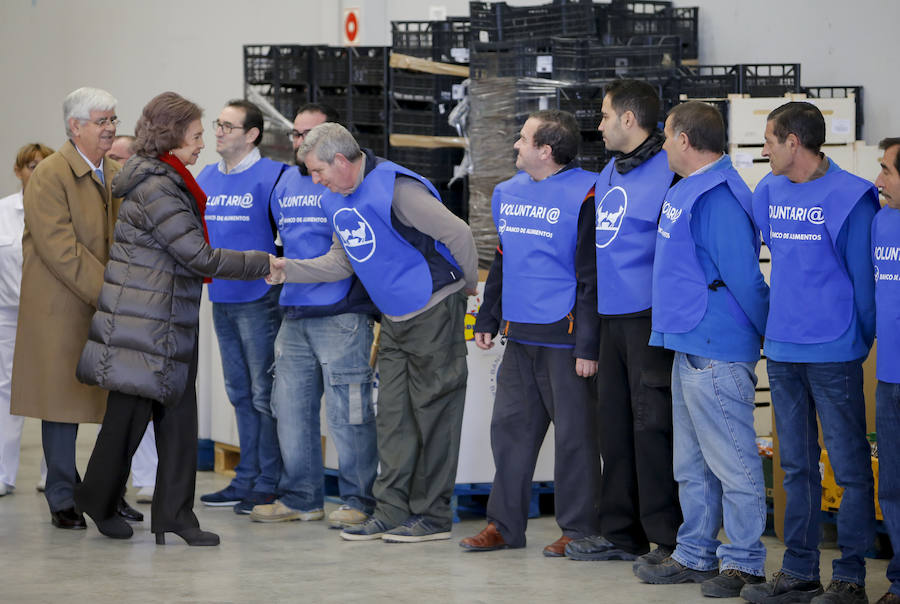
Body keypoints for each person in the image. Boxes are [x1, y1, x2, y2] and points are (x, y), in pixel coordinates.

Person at [72, 91, 272, 546]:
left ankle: (172, 515)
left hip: (163, 316)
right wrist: (263, 262)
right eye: (197, 135)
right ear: (172, 136)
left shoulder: (168, 178)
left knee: (176, 418)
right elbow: (195, 253)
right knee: (132, 417)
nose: (203, 143)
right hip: (149, 320)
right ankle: (106, 501)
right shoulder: (159, 185)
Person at [268, 122, 478, 543]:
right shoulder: (335, 199)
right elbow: (341, 262)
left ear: (342, 161)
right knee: (394, 419)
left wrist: (467, 291)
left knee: (435, 416)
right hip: (395, 317)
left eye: (318, 171)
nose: (315, 180)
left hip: (434, 309)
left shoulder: (396, 188)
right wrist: (288, 268)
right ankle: (391, 510)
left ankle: (433, 517)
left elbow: (460, 233)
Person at [741, 101, 879, 604]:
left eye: (770, 140)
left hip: (835, 351)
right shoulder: (768, 191)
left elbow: (866, 290)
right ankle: (799, 571)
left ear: (793, 143)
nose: (764, 150)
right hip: (781, 350)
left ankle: (850, 577)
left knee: (848, 467)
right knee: (795, 465)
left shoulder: (851, 197)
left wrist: (852, 343)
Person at [633, 101, 770, 599]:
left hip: (717, 347)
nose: (663, 144)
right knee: (690, 465)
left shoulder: (720, 198)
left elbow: (747, 280)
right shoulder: (689, 188)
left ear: (685, 141)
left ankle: (745, 563)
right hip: (688, 342)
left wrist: (766, 336)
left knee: (732, 462)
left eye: (667, 136)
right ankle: (694, 553)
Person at [457, 110, 602, 556]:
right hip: (519, 336)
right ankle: (503, 526)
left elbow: (590, 275)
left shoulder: (587, 193)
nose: (515, 145)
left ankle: (578, 530)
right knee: (509, 432)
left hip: (566, 337)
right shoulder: (507, 192)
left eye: (523, 139)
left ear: (546, 150)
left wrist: (589, 343)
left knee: (575, 438)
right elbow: (504, 258)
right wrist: (488, 317)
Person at [565, 79, 682, 564]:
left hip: (651, 321)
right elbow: (591, 259)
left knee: (652, 428)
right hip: (611, 321)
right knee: (612, 430)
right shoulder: (609, 172)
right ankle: (620, 533)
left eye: (605, 115)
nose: (599, 124)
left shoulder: (670, 173)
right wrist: (589, 338)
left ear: (629, 120)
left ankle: (667, 538)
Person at [249, 103, 379, 528]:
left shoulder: (346, 185)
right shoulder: (286, 182)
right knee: (290, 409)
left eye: (311, 134)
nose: (301, 141)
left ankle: (358, 500)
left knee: (349, 413)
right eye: (297, 134)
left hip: (342, 314)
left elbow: (352, 253)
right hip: (294, 312)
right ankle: (302, 497)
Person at [10, 87, 122, 530]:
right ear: (75, 127)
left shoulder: (115, 171)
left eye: (113, 118)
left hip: (103, 305)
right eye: (101, 120)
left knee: (111, 404)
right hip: (62, 308)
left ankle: (102, 491)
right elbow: (61, 250)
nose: (110, 127)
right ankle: (61, 496)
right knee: (60, 406)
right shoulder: (51, 174)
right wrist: (114, 292)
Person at [196, 99, 286, 514]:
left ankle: (268, 480)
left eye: (228, 126)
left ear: (252, 134)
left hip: (259, 299)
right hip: (221, 297)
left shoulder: (273, 176)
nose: (218, 132)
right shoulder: (208, 176)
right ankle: (246, 475)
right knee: (238, 392)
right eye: (217, 125)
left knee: (263, 392)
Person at [102, 133, 158, 506]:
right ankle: (112, 487)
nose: (115, 166)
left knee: (142, 392)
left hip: (142, 306)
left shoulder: (148, 196)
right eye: (110, 158)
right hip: (112, 302)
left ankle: (148, 476)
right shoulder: (106, 196)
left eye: (120, 158)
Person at [0, 143, 54, 496]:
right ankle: (3, 474)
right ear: (18, 171)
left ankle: (54, 475)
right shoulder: (3, 210)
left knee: (55, 393)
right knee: (6, 392)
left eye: (42, 165)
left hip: (53, 316)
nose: (35, 171)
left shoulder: (60, 210)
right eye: (29, 165)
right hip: (8, 314)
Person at [871, 136, 900, 604]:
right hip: (890, 379)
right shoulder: (882, 221)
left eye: (888, 172)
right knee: (893, 487)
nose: (878, 180)